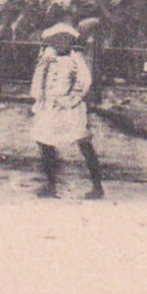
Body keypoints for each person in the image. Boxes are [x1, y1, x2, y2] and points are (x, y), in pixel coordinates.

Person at [30, 23, 104, 199]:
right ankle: (51, 184)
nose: (60, 42)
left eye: (64, 39)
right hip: (50, 109)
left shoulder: (76, 59)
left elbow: (84, 82)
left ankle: (97, 186)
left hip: (71, 110)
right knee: (45, 143)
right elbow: (38, 81)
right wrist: (39, 99)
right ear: (51, 41)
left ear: (70, 41)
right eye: (56, 39)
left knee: (83, 143)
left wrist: (71, 100)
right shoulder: (46, 59)